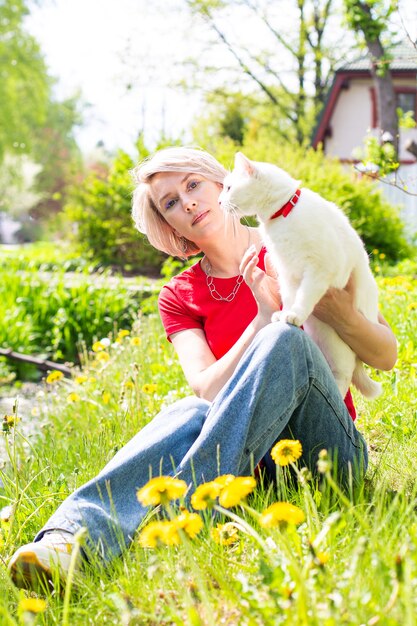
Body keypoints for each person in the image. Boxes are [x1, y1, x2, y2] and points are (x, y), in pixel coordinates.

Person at [9, 147, 397, 590]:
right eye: (171, 202)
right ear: (168, 224)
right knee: (187, 410)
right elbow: (207, 389)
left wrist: (340, 314)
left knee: (285, 338)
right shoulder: (179, 295)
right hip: (254, 475)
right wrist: (260, 316)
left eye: (193, 185)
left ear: (222, 183)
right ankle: (68, 541)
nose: (188, 202)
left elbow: (386, 356)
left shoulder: (295, 238)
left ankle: (182, 516)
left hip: (326, 455)